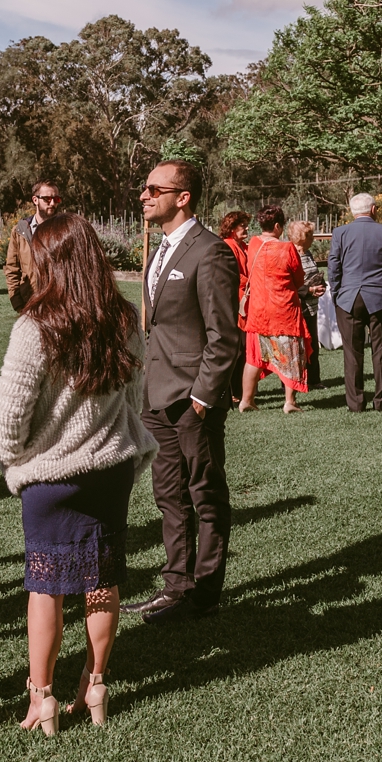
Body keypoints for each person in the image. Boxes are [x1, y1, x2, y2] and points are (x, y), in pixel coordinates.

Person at [0, 213, 158, 736]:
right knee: (101, 579)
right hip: (110, 470)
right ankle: (97, 682)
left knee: (47, 587)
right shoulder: (125, 320)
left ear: (50, 262)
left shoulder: (34, 326)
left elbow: (8, 414)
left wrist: (16, 459)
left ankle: (42, 697)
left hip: (49, 479)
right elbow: (135, 398)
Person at [125, 159, 242, 623]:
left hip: (193, 399)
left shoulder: (210, 251)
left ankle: (205, 593)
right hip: (157, 397)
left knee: (205, 494)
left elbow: (224, 334)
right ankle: (176, 586)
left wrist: (202, 396)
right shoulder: (160, 249)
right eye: (144, 188)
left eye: (154, 189)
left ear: (183, 196)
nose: (144, 195)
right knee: (168, 494)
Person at [327, 192, 382, 413]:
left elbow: (333, 267)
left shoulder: (340, 232)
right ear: (373, 209)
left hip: (348, 298)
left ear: (353, 211)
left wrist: (336, 292)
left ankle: (356, 403)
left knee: (352, 353)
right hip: (380, 298)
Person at [239, 207, 311, 413]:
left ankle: (247, 400)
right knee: (291, 355)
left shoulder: (252, 244)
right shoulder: (287, 248)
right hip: (284, 310)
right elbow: (298, 279)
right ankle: (289, 402)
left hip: (259, 311)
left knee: (255, 358)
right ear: (277, 226)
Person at [5, 179, 64, 312]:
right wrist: (18, 303)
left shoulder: (64, 230)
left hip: (59, 305)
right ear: (35, 200)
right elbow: (12, 269)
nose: (53, 203)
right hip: (29, 303)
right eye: (47, 199)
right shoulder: (20, 230)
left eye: (56, 199)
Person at [288, 220, 327, 389]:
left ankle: (313, 379)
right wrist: (309, 290)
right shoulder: (291, 254)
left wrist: (321, 285)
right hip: (297, 307)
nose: (313, 238)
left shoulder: (308, 253)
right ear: (302, 237)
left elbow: (312, 274)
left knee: (312, 345)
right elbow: (289, 284)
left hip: (311, 307)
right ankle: (294, 382)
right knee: (297, 347)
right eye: (310, 234)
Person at [217, 210, 251, 404]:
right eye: (242, 225)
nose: (246, 228)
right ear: (231, 227)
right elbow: (232, 274)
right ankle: (232, 391)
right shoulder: (228, 246)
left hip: (246, 299)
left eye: (246, 225)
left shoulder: (242, 245)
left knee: (243, 349)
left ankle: (238, 390)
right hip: (235, 300)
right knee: (236, 348)